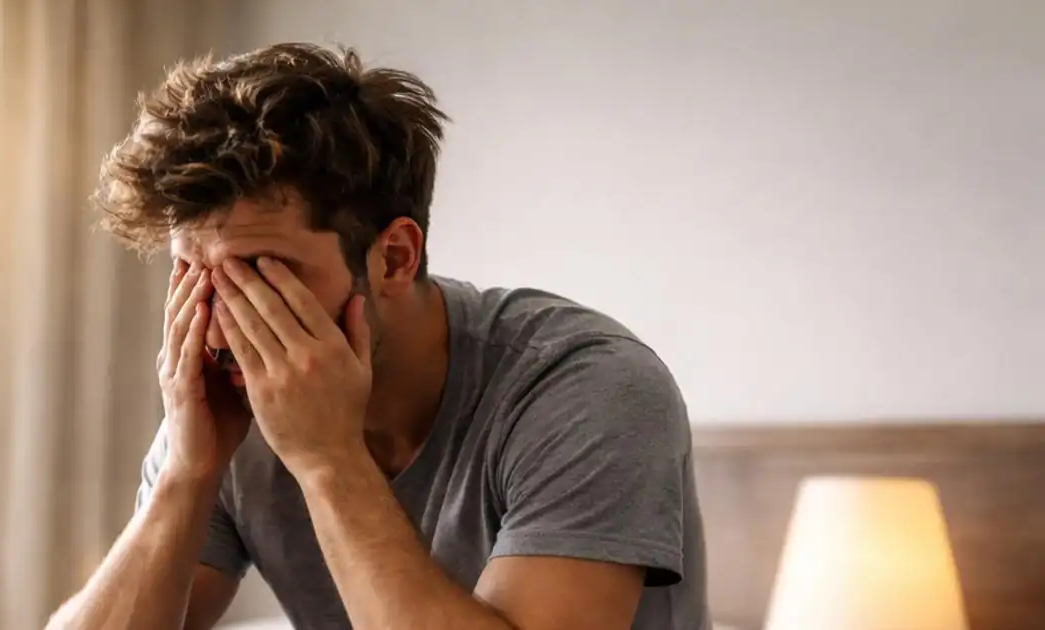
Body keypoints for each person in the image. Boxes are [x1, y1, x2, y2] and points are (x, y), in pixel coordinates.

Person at [48, 43, 709, 630]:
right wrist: (186, 474)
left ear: (394, 258)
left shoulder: (590, 389)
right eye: (192, 274)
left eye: (262, 274)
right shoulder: (228, 399)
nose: (221, 323)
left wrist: (329, 460)